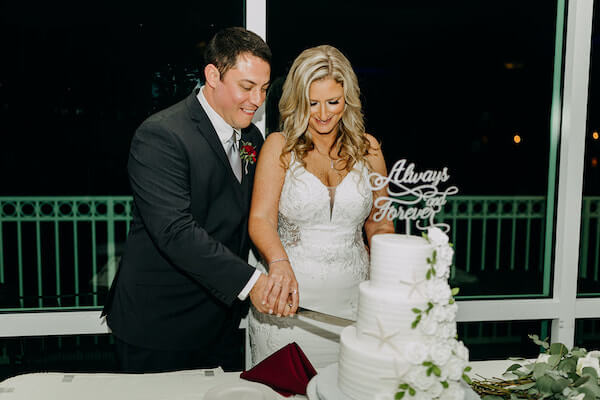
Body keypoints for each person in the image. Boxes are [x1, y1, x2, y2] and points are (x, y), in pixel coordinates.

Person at [102, 27, 290, 373]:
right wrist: (251, 283)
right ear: (212, 75)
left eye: (263, 89)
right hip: (158, 324)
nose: (257, 100)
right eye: (246, 87)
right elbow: (174, 230)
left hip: (219, 321)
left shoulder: (252, 138)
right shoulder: (162, 134)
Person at [247, 45, 395, 368]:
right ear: (298, 101)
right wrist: (278, 261)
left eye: (333, 102)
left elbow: (379, 223)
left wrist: (393, 279)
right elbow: (260, 219)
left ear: (348, 99)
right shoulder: (279, 147)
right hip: (289, 304)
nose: (323, 113)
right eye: (312, 103)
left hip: (354, 304)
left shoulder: (369, 149)